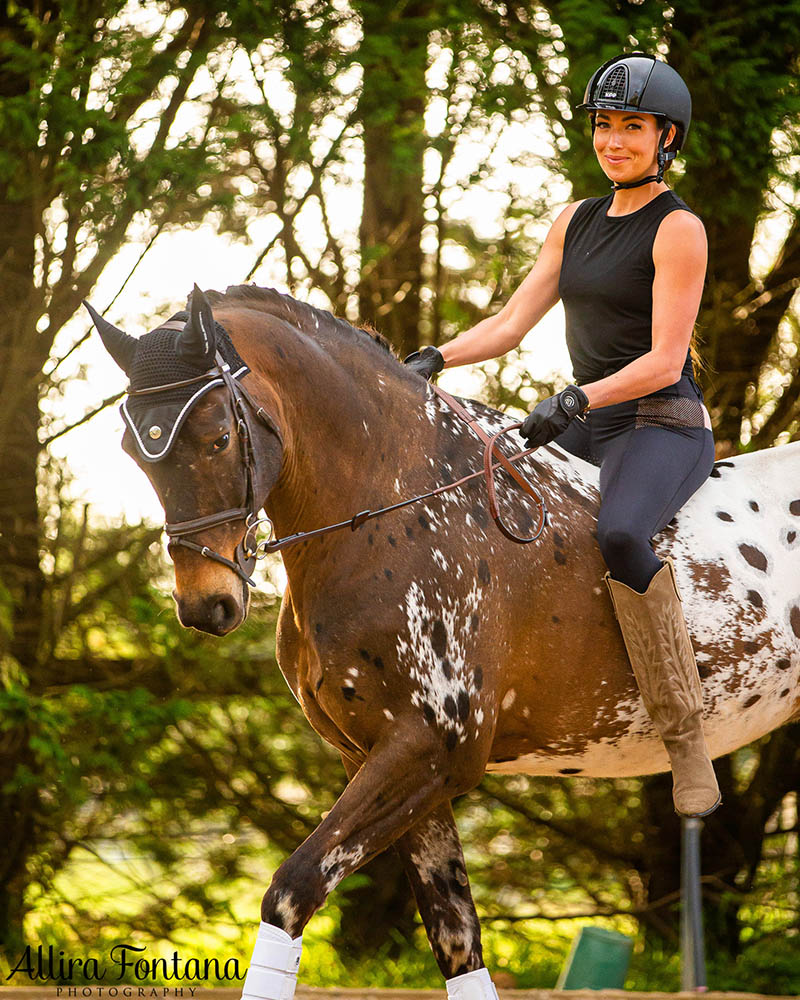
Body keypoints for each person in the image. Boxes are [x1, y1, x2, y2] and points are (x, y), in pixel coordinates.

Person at [404, 52, 720, 818]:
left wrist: (575, 397)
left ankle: (687, 744)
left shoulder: (679, 229)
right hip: (588, 420)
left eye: (633, 128)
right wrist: (435, 357)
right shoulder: (575, 220)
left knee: (617, 534)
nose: (614, 141)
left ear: (665, 137)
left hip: (659, 422)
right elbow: (513, 324)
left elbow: (664, 361)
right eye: (604, 125)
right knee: (483, 491)